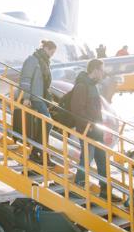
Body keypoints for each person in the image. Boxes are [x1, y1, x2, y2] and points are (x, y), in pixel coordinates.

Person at [67, 59, 108, 187]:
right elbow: (77, 109)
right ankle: (79, 185)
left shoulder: (93, 86)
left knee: (102, 160)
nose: (103, 73)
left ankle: (105, 190)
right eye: (101, 70)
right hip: (88, 130)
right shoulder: (82, 86)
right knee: (87, 159)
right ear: (95, 70)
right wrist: (88, 125)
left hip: (96, 129)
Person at [17, 40, 57, 162]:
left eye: (53, 53)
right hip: (34, 97)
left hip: (41, 98)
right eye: (51, 51)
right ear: (45, 48)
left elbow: (44, 83)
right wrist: (26, 97)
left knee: (45, 124)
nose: (51, 54)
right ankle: (37, 152)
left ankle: (39, 153)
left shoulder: (44, 62)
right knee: (48, 123)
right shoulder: (32, 60)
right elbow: (25, 79)